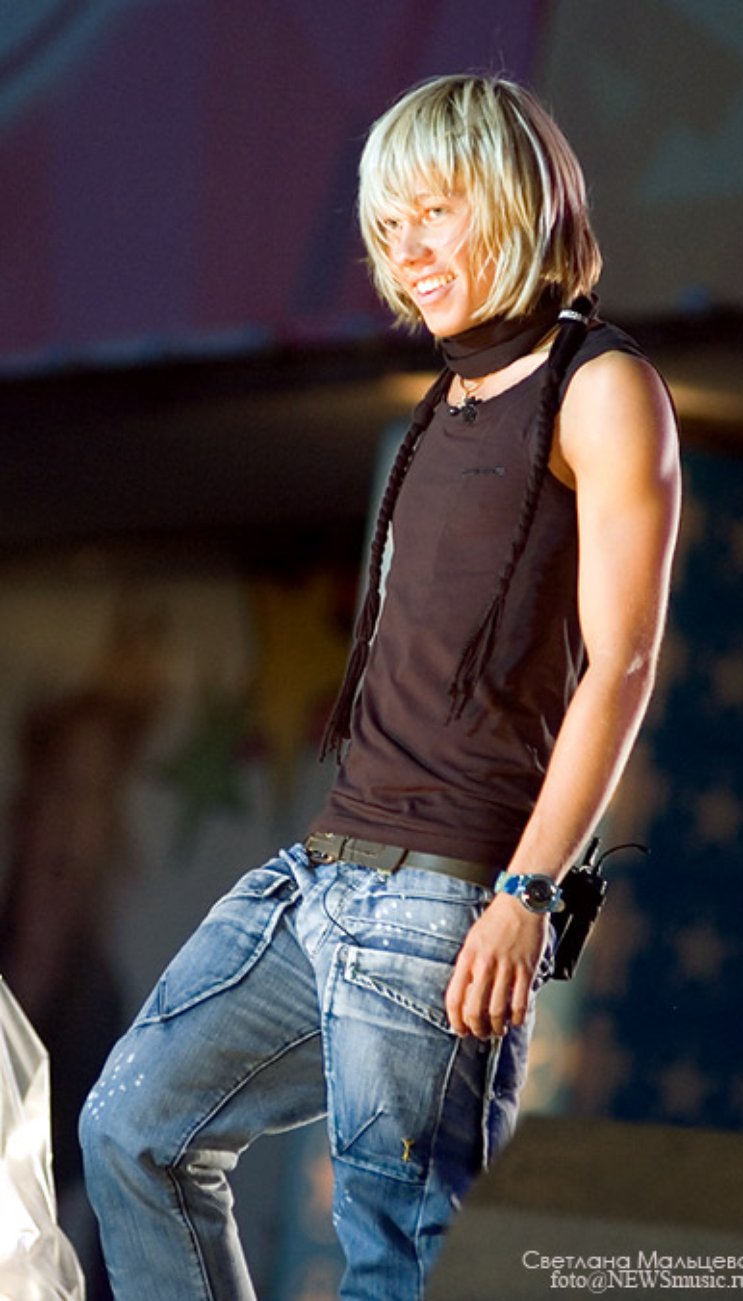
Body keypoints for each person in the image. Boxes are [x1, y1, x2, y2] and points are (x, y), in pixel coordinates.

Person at [79, 73, 680, 1300]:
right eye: (388, 225)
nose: (405, 250)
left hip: (444, 896)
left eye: (433, 213)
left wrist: (526, 890)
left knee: (400, 1260)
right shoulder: (445, 398)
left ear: (511, 199)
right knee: (133, 1129)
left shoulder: (599, 387)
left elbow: (618, 662)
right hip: (321, 871)